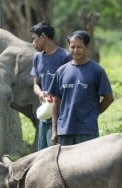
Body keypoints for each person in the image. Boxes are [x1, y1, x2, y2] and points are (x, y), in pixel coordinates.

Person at [48, 30, 114, 146]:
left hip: (87, 131)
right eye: (72, 47)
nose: (75, 50)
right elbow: (56, 102)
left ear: (87, 46)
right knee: (65, 163)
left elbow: (109, 98)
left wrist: (93, 113)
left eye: (79, 47)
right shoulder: (61, 71)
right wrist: (55, 130)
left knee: (88, 163)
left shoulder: (97, 70)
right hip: (64, 130)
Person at [30, 21, 71, 150]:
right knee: (43, 154)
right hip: (45, 114)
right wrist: (40, 92)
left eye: (34, 39)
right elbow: (36, 84)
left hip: (61, 116)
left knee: (57, 153)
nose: (33, 43)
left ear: (43, 36)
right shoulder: (37, 57)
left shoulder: (65, 57)